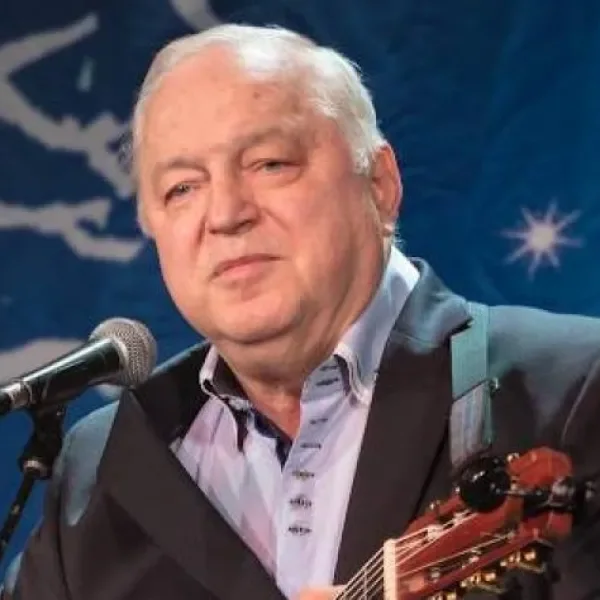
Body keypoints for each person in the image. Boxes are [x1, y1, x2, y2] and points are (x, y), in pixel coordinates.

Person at [2, 22, 600, 600]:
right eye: (182, 188)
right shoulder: (99, 465)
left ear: (380, 183)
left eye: (270, 164)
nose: (225, 214)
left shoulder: (573, 387)